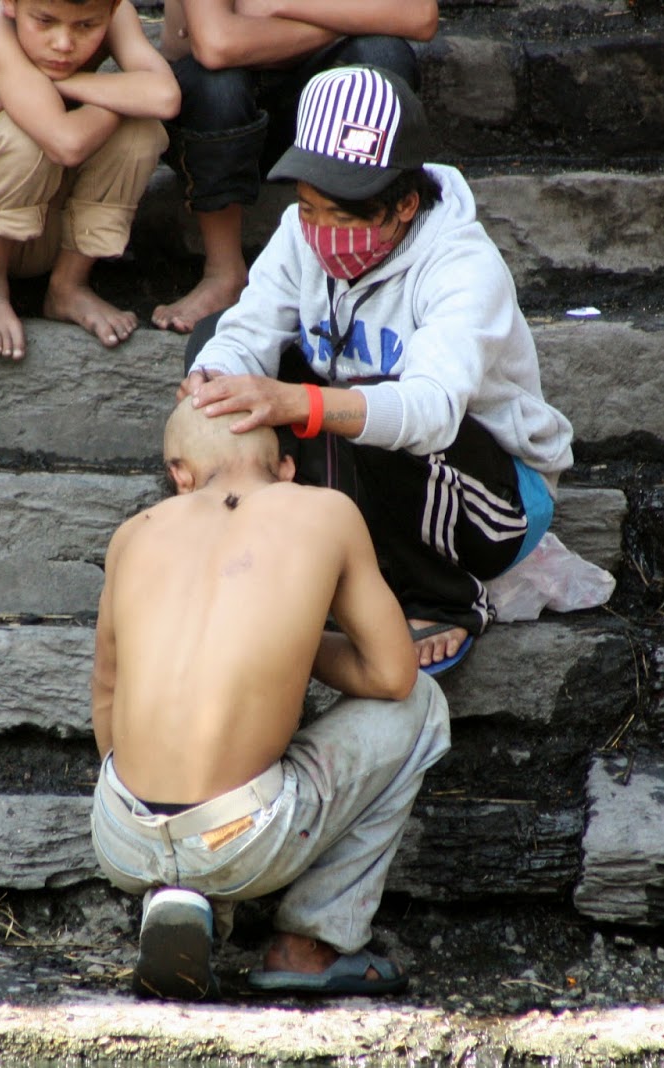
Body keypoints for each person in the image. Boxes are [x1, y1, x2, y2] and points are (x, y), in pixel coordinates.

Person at [179, 64, 575, 675]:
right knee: (215, 346)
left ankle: (443, 596)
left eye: (343, 217)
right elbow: (248, 330)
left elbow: (431, 411)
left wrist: (301, 403)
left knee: (383, 408)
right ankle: (270, 548)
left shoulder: (463, 267)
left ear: (404, 204)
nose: (320, 232)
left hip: (487, 499)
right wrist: (213, 379)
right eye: (308, 208)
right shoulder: (299, 234)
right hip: (361, 471)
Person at [89, 398, 451, 999]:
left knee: (172, 787)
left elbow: (106, 694)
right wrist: (292, 638)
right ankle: (312, 943)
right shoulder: (325, 511)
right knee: (423, 706)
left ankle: (178, 899)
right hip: (242, 835)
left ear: (179, 475)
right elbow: (395, 676)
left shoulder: (133, 535)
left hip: (122, 834)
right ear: (286, 468)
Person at [0, 0, 179, 360]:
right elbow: (66, 143)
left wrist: (62, 85)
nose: (63, 44)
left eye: (86, 27)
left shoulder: (113, 11)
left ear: (110, 11)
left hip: (42, 222)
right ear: (11, 3)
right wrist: (122, 98)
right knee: (27, 131)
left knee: (140, 131)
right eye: (45, 21)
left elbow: (165, 97)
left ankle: (68, 286)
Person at [149, 0, 437, 334]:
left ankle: (374, 261)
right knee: (217, 83)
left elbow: (419, 15)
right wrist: (357, 18)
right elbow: (217, 45)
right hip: (221, 119)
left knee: (383, 53)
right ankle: (223, 272)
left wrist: (277, 5)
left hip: (324, 119)